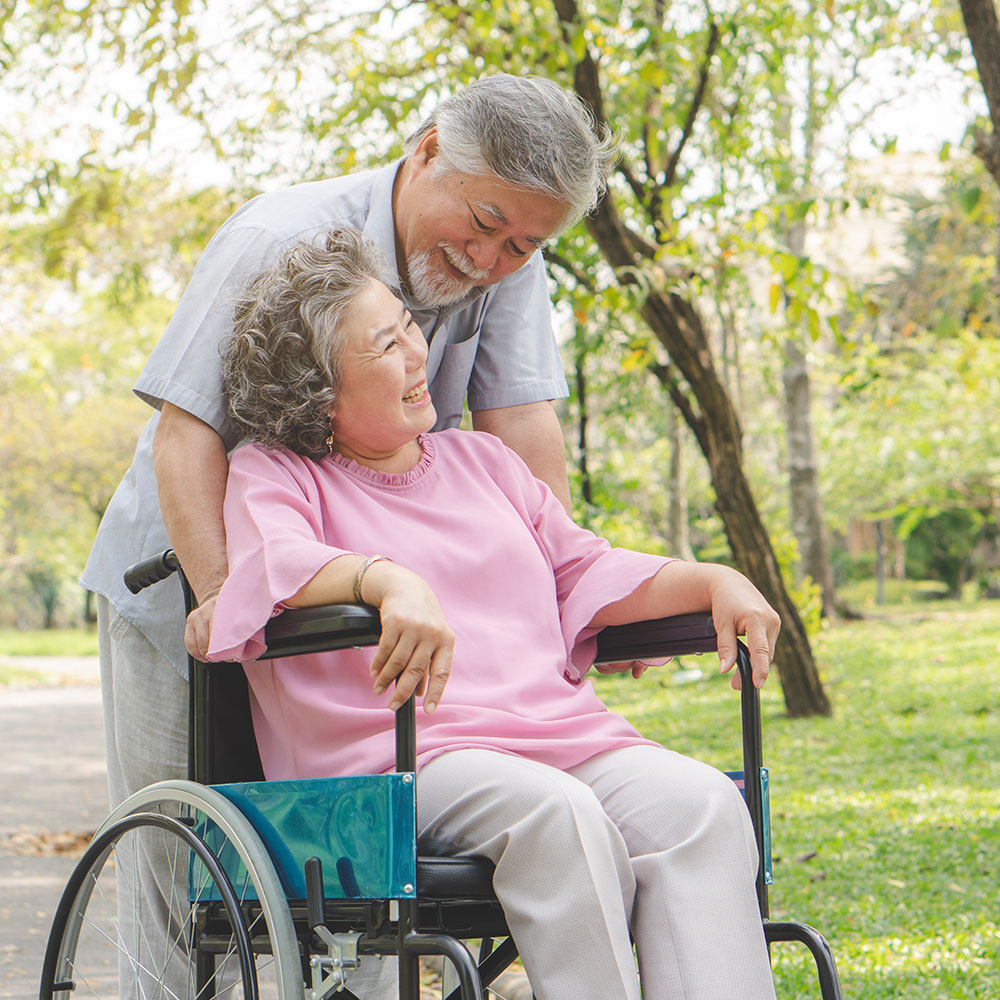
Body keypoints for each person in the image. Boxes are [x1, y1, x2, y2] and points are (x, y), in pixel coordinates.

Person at [80, 75, 615, 997]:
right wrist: (224, 604)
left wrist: (555, 602)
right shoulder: (277, 236)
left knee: (353, 877)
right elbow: (187, 434)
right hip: (190, 578)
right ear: (426, 152)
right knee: (197, 887)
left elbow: (523, 430)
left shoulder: (508, 268)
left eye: (524, 242)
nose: (491, 258)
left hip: (362, 596)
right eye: (483, 222)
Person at [204, 227, 780, 1000]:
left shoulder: (485, 462)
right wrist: (385, 580)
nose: (417, 354)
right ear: (319, 389)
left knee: (701, 804)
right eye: (385, 346)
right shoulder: (276, 473)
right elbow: (270, 564)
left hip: (558, 736)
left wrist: (713, 579)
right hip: (403, 762)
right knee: (558, 815)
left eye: (408, 325)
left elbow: (584, 568)